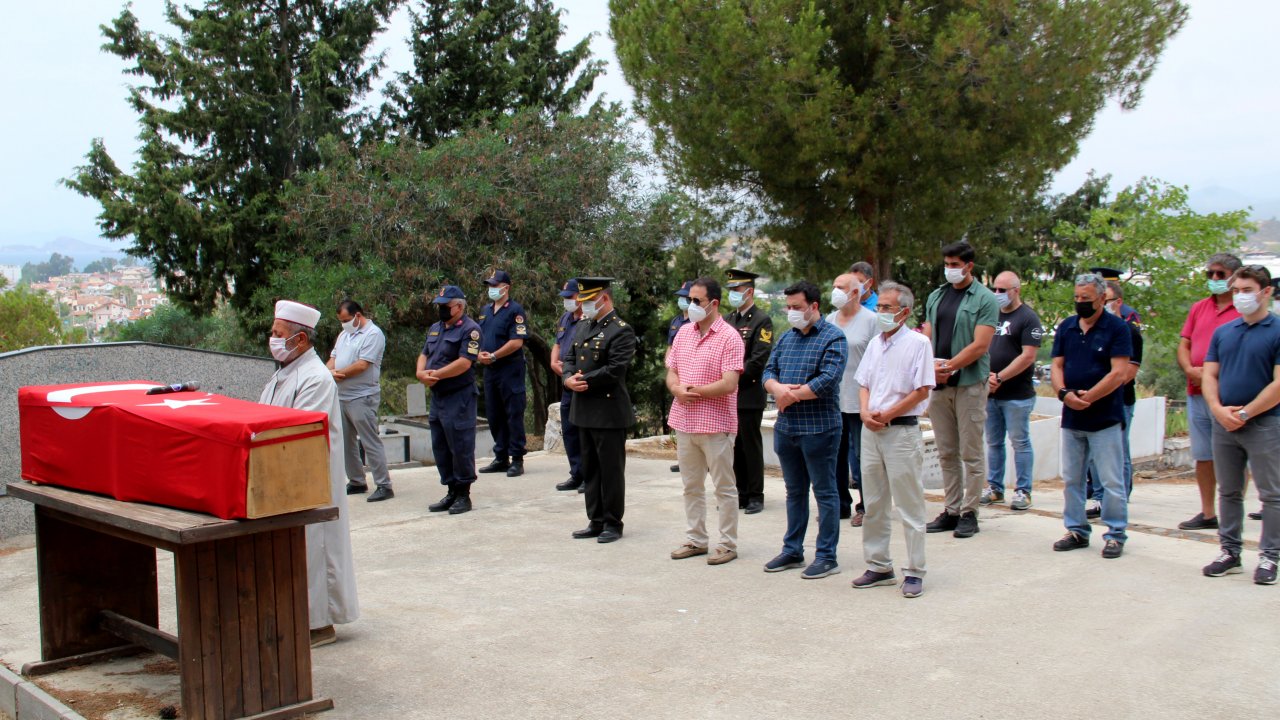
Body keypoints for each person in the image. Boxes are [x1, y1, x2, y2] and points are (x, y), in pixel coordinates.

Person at [260, 300, 359, 647]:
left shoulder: (316, 378)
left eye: (279, 334)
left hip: (309, 476)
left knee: (315, 547)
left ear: (300, 340)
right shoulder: (283, 372)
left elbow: (298, 431)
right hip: (283, 475)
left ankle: (319, 623)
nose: (272, 339)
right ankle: (300, 615)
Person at [851, 282, 935, 598]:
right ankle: (879, 565)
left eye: (887, 307)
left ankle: (914, 570)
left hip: (900, 431)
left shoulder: (917, 344)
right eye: (880, 307)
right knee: (873, 502)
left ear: (905, 311)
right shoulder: (875, 343)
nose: (881, 312)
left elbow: (922, 389)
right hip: (871, 430)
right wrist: (864, 412)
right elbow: (864, 382)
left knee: (909, 503)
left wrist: (888, 414)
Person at [761, 281, 848, 579]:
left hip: (820, 429)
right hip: (787, 428)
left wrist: (791, 394)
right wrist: (776, 388)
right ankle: (792, 549)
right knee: (794, 491)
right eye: (788, 307)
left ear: (814, 306)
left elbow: (828, 379)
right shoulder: (786, 338)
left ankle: (826, 555)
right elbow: (768, 371)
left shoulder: (834, 338)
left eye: (797, 307)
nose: (792, 312)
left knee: (825, 492)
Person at [1200, 265, 1280, 585]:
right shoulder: (1225, 332)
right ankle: (1229, 552)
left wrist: (1244, 414)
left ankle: (1270, 556)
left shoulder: (1277, 330)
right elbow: (1209, 374)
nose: (1240, 296)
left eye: (1247, 290)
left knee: (1271, 494)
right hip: (1224, 424)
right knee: (1229, 491)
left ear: (1266, 292)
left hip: (1264, 424)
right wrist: (1218, 410)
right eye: (1236, 291)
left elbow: (1278, 385)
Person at [1050, 273, 1133, 559]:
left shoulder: (1117, 328)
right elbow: (1056, 365)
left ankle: (1115, 533)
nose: (1080, 303)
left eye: (1086, 298)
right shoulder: (1067, 327)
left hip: (1105, 417)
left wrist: (1089, 397)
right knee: (1073, 479)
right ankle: (1076, 529)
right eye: (1077, 298)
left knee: (1111, 480)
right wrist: (1064, 394)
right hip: (1072, 417)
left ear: (1101, 298)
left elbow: (1119, 373)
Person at [665, 278, 745, 565]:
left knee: (723, 487)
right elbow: (672, 370)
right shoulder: (684, 333)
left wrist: (694, 392)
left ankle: (727, 544)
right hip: (684, 422)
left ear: (714, 304)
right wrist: (676, 389)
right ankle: (696, 539)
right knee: (691, 486)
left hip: (716, 425)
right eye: (690, 300)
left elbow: (729, 383)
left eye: (697, 301)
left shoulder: (729, 337)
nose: (691, 305)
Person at [922, 241, 999, 539]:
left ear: (969, 266)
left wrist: (950, 366)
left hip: (969, 384)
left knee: (971, 451)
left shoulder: (984, 299)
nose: (950, 269)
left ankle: (970, 511)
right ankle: (951, 509)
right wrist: (930, 367)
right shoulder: (937, 295)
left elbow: (981, 344)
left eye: (955, 264)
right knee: (946, 451)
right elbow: (928, 334)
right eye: (947, 263)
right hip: (940, 384)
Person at [563, 278, 637, 544]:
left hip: (608, 411)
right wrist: (568, 378)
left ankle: (612, 523)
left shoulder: (621, 331)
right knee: (590, 468)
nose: (582, 306)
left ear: (603, 299)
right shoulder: (583, 326)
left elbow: (616, 369)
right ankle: (595, 519)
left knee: (610, 471)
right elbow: (569, 357)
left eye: (587, 301)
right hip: (583, 409)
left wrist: (584, 381)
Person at [1177, 253, 1243, 530]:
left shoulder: (1243, 311)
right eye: (1210, 274)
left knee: (1235, 457)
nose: (1215, 279)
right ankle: (1207, 513)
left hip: (1229, 395)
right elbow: (1184, 345)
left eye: (1221, 274)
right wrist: (1191, 370)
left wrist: (1215, 375)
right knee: (1203, 455)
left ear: (1234, 276)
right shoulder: (1199, 308)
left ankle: (1233, 512)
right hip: (1196, 392)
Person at [416, 286, 483, 515]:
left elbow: (465, 362)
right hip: (438, 396)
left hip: (459, 396)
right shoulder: (436, 328)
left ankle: (464, 494)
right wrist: (420, 373)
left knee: (460, 444)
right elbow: (424, 353)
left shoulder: (470, 330)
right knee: (441, 445)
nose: (442, 309)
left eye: (446, 306)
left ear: (459, 306)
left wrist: (436, 375)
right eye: (440, 306)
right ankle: (451, 490)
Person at [981, 271, 1043, 512]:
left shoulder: (1028, 318)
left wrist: (1000, 377)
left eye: (1002, 290)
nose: (997, 294)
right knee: (994, 442)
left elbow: (1028, 356)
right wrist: (986, 377)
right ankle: (995, 488)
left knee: (1020, 442)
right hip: (990, 392)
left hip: (1017, 394)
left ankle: (1023, 490)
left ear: (1016, 290)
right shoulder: (991, 315)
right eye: (994, 289)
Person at [1084, 280, 1144, 514]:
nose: (1100, 305)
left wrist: (1100, 390)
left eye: (1105, 300)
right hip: (1091, 400)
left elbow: (1127, 373)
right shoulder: (1092, 329)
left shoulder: (1129, 332)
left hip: (1120, 401)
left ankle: (1119, 499)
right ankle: (1099, 498)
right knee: (1094, 455)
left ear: (1118, 302)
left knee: (1118, 452)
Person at [328, 299, 393, 502]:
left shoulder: (373, 334)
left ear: (357, 315)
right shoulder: (344, 334)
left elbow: (362, 365)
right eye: (341, 321)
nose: (344, 324)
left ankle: (384, 484)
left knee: (369, 440)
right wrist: (325, 372)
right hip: (342, 395)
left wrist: (338, 373)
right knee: (346, 441)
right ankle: (356, 480)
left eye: (346, 319)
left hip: (362, 396)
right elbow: (334, 357)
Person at [828, 271, 878, 525]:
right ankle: (839, 504)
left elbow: (878, 361)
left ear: (856, 292)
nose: (835, 291)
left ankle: (867, 506)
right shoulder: (829, 320)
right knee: (835, 454)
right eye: (834, 286)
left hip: (859, 398)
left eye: (841, 287)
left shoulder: (872, 320)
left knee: (862, 456)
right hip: (833, 398)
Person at [725, 268, 773, 514]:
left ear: (749, 291)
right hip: (728, 394)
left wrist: (731, 379)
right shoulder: (728, 320)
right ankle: (740, 491)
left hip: (748, 392)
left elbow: (758, 360)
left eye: (737, 290)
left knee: (750, 445)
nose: (733, 294)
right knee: (734, 446)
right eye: (730, 290)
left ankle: (755, 494)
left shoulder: (761, 320)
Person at [477, 269, 529, 477]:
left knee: (513, 413)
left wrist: (495, 356)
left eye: (495, 286)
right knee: (494, 414)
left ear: (506, 288)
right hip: (490, 371)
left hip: (510, 369)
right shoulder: (485, 311)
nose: (491, 289)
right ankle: (501, 457)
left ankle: (517, 458)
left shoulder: (515, 311)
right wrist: (480, 354)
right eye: (489, 285)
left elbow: (517, 341)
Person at [551, 280, 586, 492]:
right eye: (564, 297)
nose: (566, 301)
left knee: (583, 431)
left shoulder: (588, 319)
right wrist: (554, 362)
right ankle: (576, 473)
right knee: (569, 430)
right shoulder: (566, 317)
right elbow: (557, 343)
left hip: (581, 382)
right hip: (566, 383)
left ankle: (588, 476)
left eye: (570, 297)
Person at [667, 281, 693, 473]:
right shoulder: (676, 321)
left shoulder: (695, 321)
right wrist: (668, 365)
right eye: (681, 296)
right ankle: (682, 458)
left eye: (686, 297)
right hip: (676, 375)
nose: (682, 300)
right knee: (679, 419)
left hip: (691, 375)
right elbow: (670, 347)